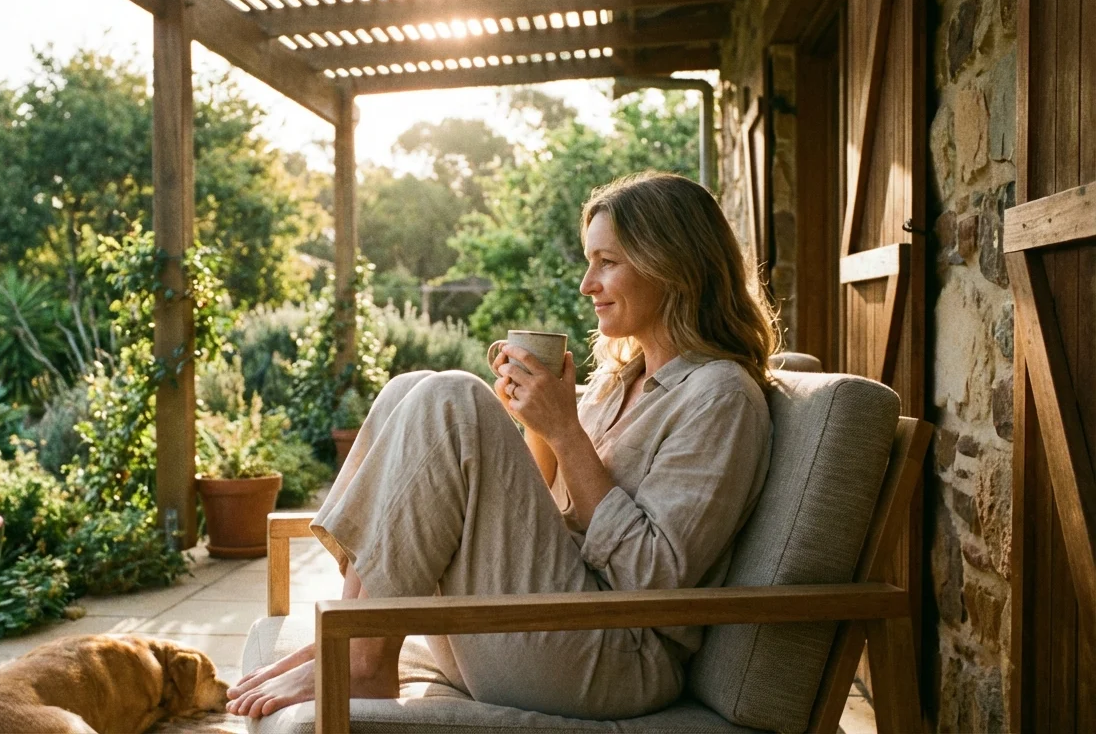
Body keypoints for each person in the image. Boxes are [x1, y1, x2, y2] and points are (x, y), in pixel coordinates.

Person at [226, 171, 780, 721]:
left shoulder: (719, 396)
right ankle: (355, 640)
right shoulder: (617, 382)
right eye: (590, 262)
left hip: (616, 654)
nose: (587, 284)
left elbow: (655, 579)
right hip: (545, 622)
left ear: (674, 266)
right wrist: (534, 424)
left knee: (452, 398)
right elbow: (537, 513)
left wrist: (564, 429)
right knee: (409, 389)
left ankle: (362, 657)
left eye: (607, 263)